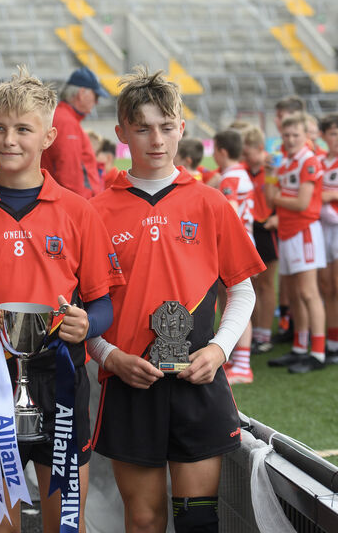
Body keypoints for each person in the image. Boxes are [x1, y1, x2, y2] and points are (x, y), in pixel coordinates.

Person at [0, 68, 121, 532]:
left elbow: (102, 304)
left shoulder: (79, 211)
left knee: (65, 521)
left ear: (48, 135)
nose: (9, 139)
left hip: (61, 378)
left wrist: (89, 324)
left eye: (23, 129)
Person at [88, 67, 264, 533]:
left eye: (166, 126)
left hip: (197, 381)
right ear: (122, 132)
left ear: (182, 129)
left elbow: (242, 289)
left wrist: (219, 350)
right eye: (142, 128)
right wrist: (110, 357)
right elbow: (85, 310)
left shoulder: (210, 203)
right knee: (144, 521)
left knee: (197, 521)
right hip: (130, 382)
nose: (156, 139)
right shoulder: (96, 212)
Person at [266, 112, 327, 374]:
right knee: (294, 294)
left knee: (308, 292)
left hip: (304, 232)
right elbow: (270, 200)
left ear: (306, 136)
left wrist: (279, 198)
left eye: (296, 135)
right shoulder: (286, 162)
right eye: (286, 135)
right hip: (288, 232)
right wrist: (271, 177)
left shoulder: (308, 161)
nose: (290, 139)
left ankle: (318, 352)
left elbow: (303, 203)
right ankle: (300, 348)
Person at [213, 128, 256, 384]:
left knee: (236, 301)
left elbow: (230, 214)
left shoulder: (230, 178)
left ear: (221, 151)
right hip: (246, 240)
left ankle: (242, 365)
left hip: (235, 245)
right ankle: (238, 361)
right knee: (234, 299)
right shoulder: (241, 173)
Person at [235, 122, 278, 354]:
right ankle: (250, 332)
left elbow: (276, 199)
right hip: (248, 229)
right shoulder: (242, 168)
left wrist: (278, 218)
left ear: (259, 147)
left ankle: (264, 334)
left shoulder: (272, 167)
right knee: (250, 285)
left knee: (267, 284)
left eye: (247, 151)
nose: (244, 156)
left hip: (267, 228)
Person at [40, 66, 106, 199]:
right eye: (96, 96)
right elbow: (69, 177)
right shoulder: (66, 122)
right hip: (76, 204)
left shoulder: (63, 118)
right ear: (82, 93)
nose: (97, 102)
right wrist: (80, 210)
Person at [317, 113, 338, 365]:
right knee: (327, 287)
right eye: (332, 133)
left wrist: (329, 195)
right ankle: (332, 342)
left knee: (336, 284)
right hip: (320, 227)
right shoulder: (320, 162)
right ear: (323, 136)